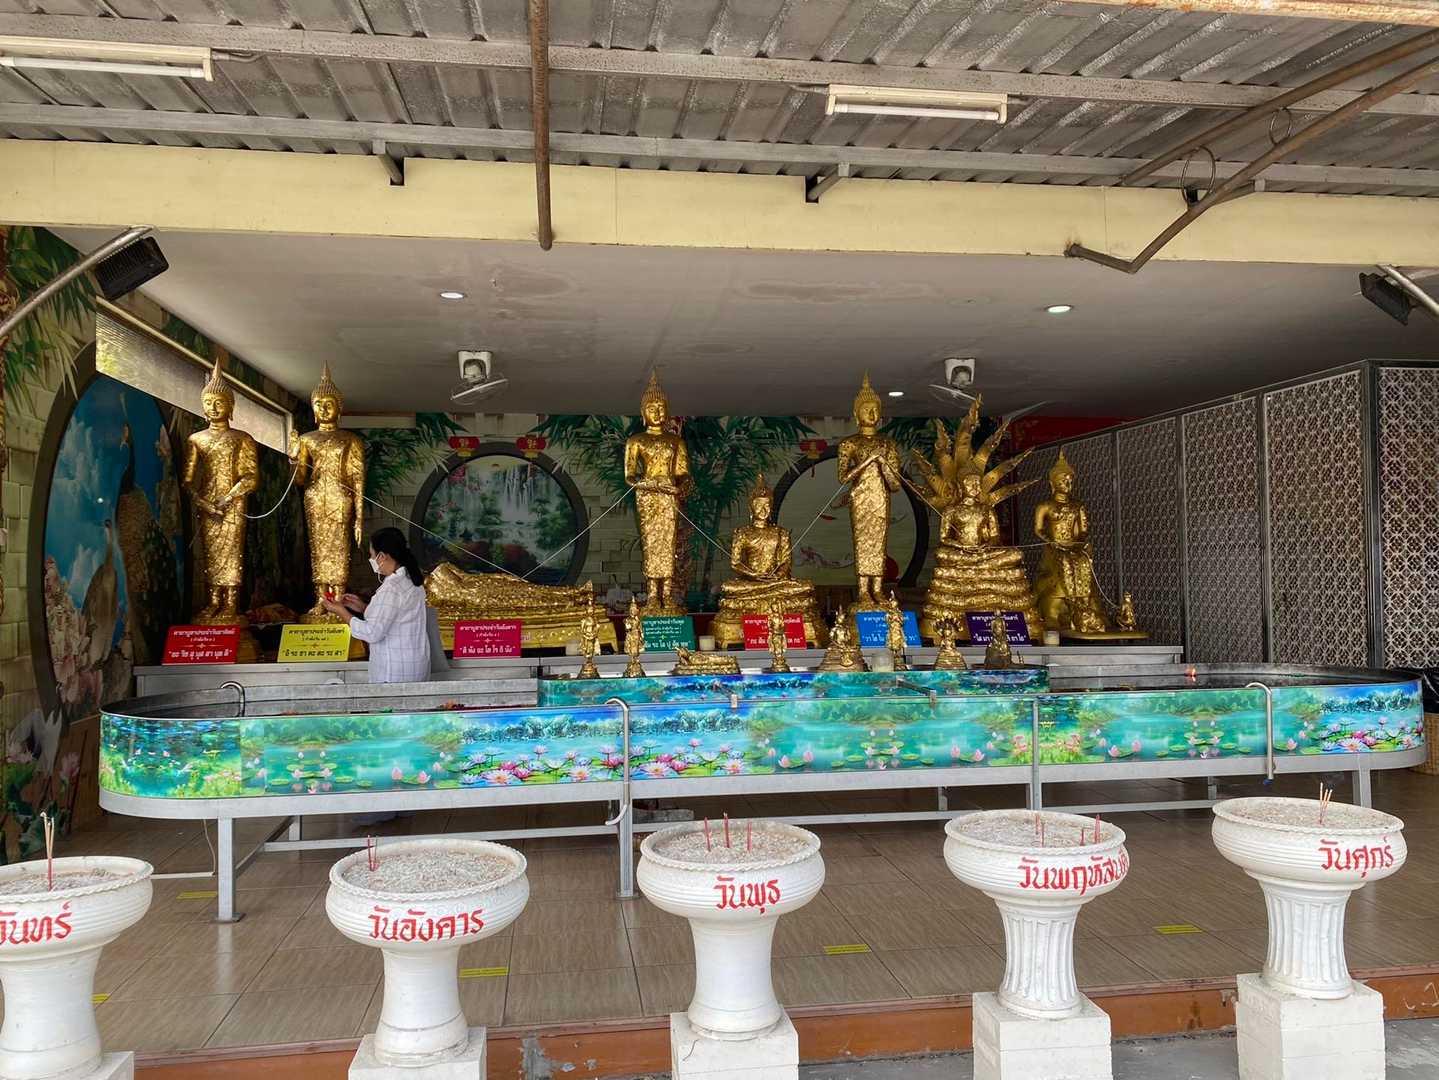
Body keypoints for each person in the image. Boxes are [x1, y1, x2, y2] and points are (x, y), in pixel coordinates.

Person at [322, 527, 430, 683]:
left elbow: (372, 633)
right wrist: (363, 607)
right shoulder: (410, 579)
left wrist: (342, 612)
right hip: (415, 664)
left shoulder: (392, 587)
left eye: (372, 555)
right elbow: (396, 616)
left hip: (395, 670)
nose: (371, 559)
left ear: (382, 556)